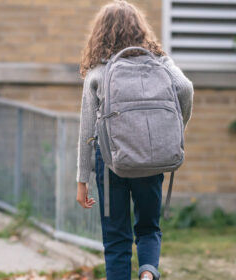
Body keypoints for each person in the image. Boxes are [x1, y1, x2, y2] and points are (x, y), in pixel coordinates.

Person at [74, 1, 194, 279]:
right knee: (149, 227)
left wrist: (82, 181)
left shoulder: (98, 73)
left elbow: (87, 132)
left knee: (116, 238)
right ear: (140, 30)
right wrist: (175, 130)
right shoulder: (161, 64)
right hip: (151, 157)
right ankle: (148, 273)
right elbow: (185, 88)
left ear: (100, 34)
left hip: (111, 163)